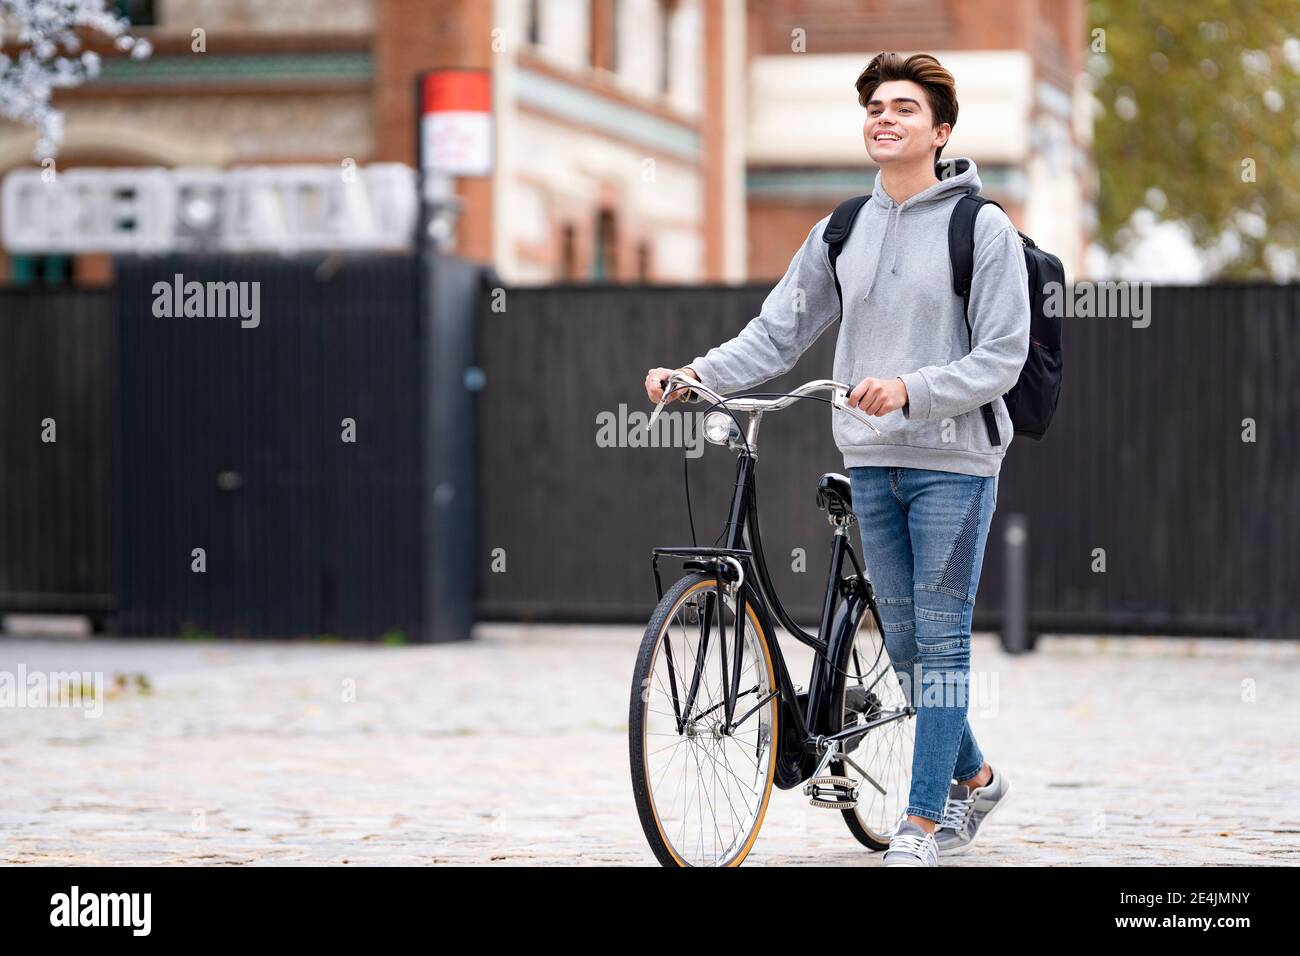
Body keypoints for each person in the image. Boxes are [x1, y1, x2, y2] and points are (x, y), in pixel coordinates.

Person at [643, 52, 1026, 867]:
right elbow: (778, 333)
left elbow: (1003, 357)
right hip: (871, 460)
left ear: (941, 130)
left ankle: (922, 824)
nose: (884, 118)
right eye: (875, 108)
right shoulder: (841, 230)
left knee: (943, 639)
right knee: (909, 648)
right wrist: (698, 374)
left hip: (955, 463)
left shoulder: (980, 228)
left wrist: (912, 389)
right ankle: (979, 776)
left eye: (904, 108)